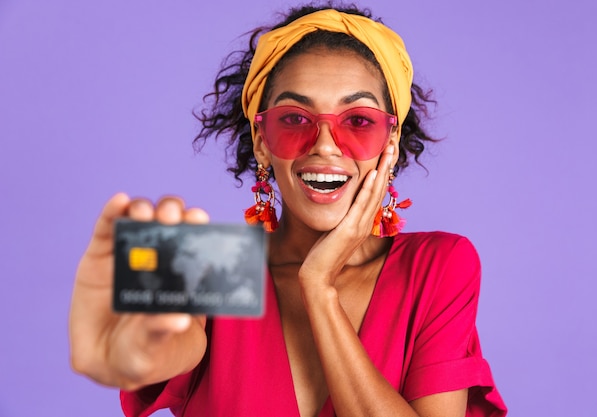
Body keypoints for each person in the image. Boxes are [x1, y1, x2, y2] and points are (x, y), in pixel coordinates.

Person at [69, 2, 507, 416]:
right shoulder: (204, 261)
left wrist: (318, 285)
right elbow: (158, 348)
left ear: (389, 146)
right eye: (294, 119)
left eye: (357, 121)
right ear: (262, 141)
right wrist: (128, 354)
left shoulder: (438, 267)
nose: (324, 145)